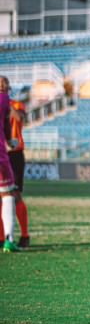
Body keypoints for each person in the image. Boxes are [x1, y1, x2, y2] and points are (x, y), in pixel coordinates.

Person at [0, 76, 29, 247]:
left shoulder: (17, 105)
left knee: (16, 195)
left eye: (5, 83)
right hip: (2, 151)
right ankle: (2, 237)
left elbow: (18, 118)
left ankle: (24, 235)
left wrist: (6, 103)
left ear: (9, 87)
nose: (3, 85)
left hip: (15, 154)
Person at [0, 77, 18, 252]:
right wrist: (11, 142)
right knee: (7, 193)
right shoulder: (4, 98)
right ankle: (9, 239)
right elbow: (6, 125)